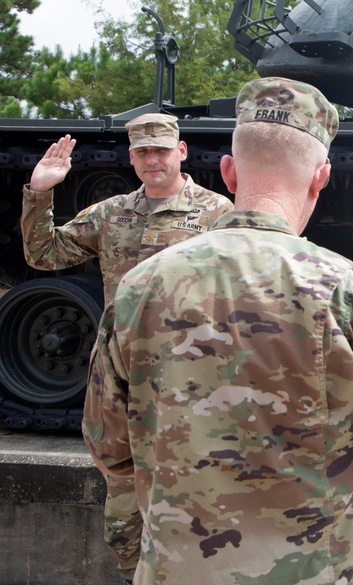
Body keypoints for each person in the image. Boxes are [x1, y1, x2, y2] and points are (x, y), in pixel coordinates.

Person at [82, 76, 353, 585]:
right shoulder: (351, 289)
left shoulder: (138, 287)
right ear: (321, 177)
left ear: (228, 172)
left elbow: (108, 446)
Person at [20, 113, 233, 583]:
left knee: (199, 507)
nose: (152, 160)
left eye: (161, 150)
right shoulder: (112, 213)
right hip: (124, 379)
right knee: (123, 517)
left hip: (194, 380)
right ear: (131, 156)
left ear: (180, 152)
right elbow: (44, 254)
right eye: (142, 152)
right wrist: (40, 192)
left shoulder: (219, 213)